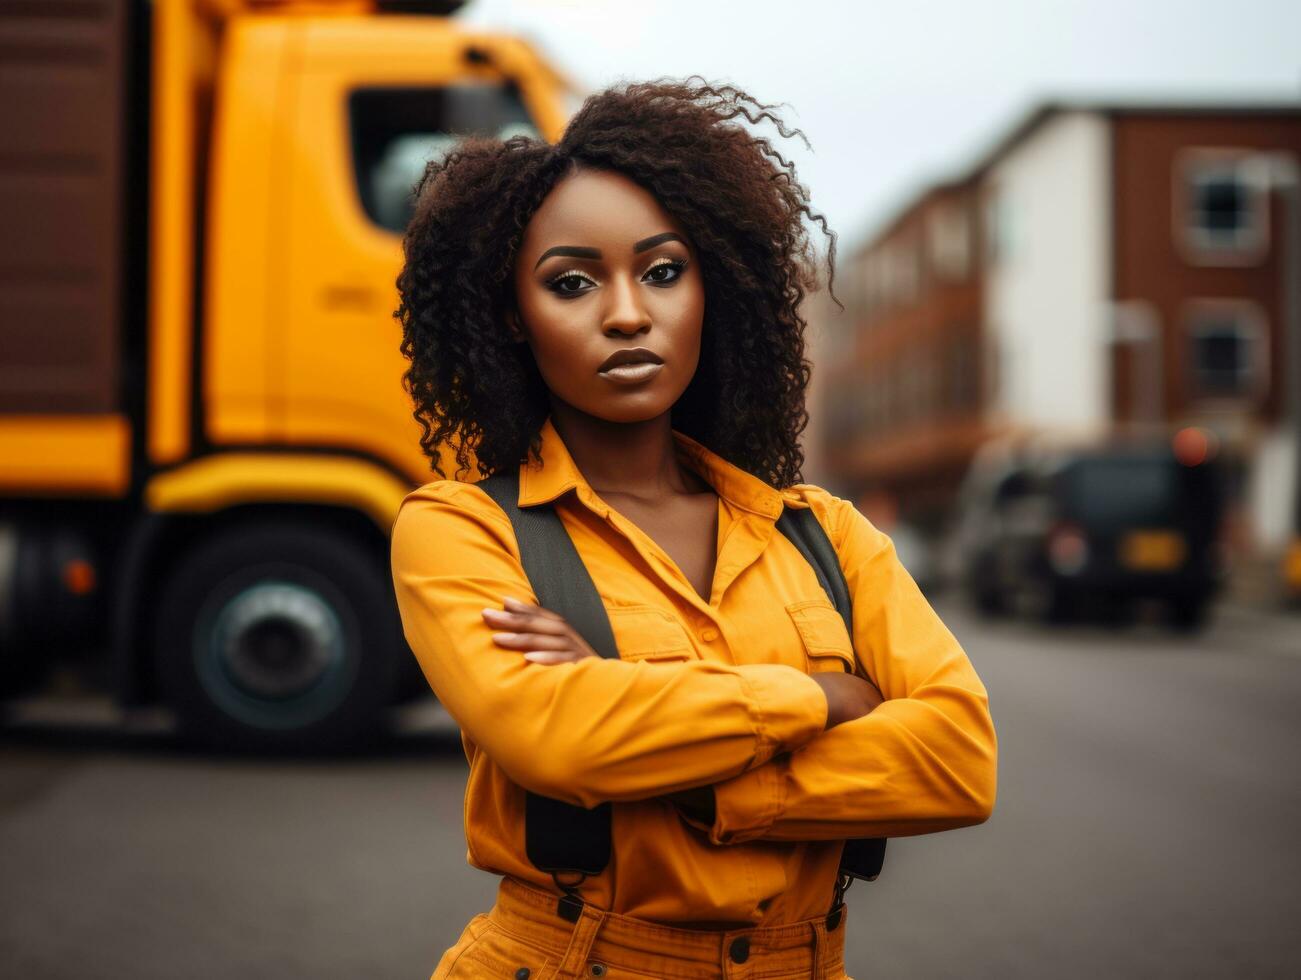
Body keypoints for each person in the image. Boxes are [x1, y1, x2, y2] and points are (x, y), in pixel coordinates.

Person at [390, 78, 997, 980]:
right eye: (571, 283)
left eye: (663, 271)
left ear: (712, 290)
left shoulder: (825, 536)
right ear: (513, 318)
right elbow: (557, 738)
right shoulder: (461, 530)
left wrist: (656, 731)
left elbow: (956, 762)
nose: (628, 312)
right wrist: (827, 699)